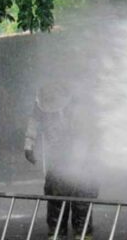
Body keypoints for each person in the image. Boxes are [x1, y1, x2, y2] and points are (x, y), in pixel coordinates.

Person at [24, 81, 98, 240]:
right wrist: (28, 145)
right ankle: (57, 235)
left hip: (82, 164)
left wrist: (79, 161)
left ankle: (82, 235)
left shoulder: (80, 107)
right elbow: (34, 123)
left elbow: (88, 135)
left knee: (82, 203)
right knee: (56, 201)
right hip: (58, 161)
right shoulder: (43, 101)